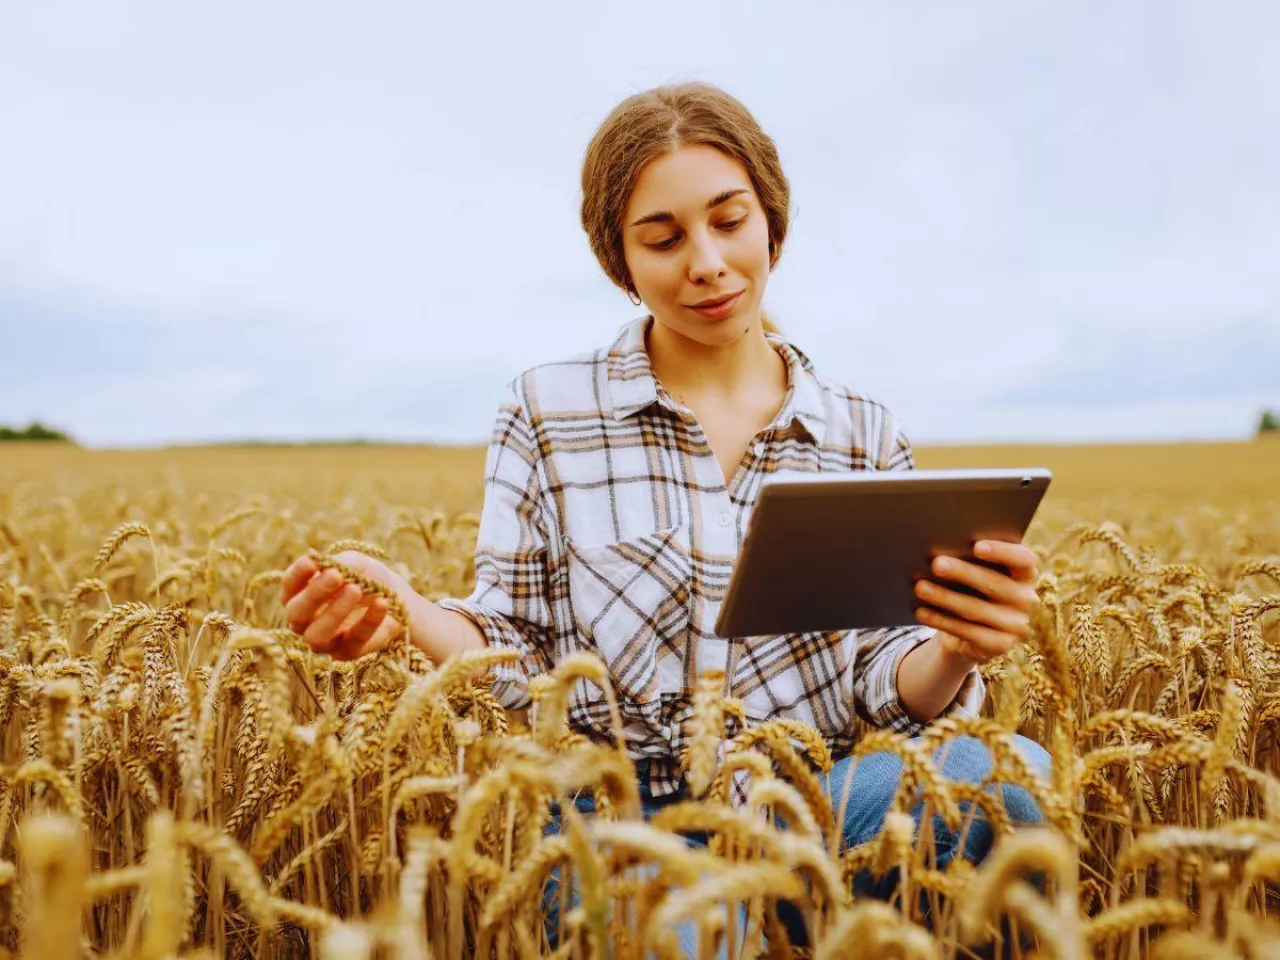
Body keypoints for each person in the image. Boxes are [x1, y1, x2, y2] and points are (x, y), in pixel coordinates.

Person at [281, 82, 1052, 953]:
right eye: (663, 237)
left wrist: (954, 645)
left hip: (818, 803)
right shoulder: (548, 411)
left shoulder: (860, 430)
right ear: (620, 258)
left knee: (1012, 776)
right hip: (614, 820)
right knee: (690, 930)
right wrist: (408, 613)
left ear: (773, 220)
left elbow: (883, 676)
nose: (708, 262)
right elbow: (516, 641)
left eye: (729, 220)